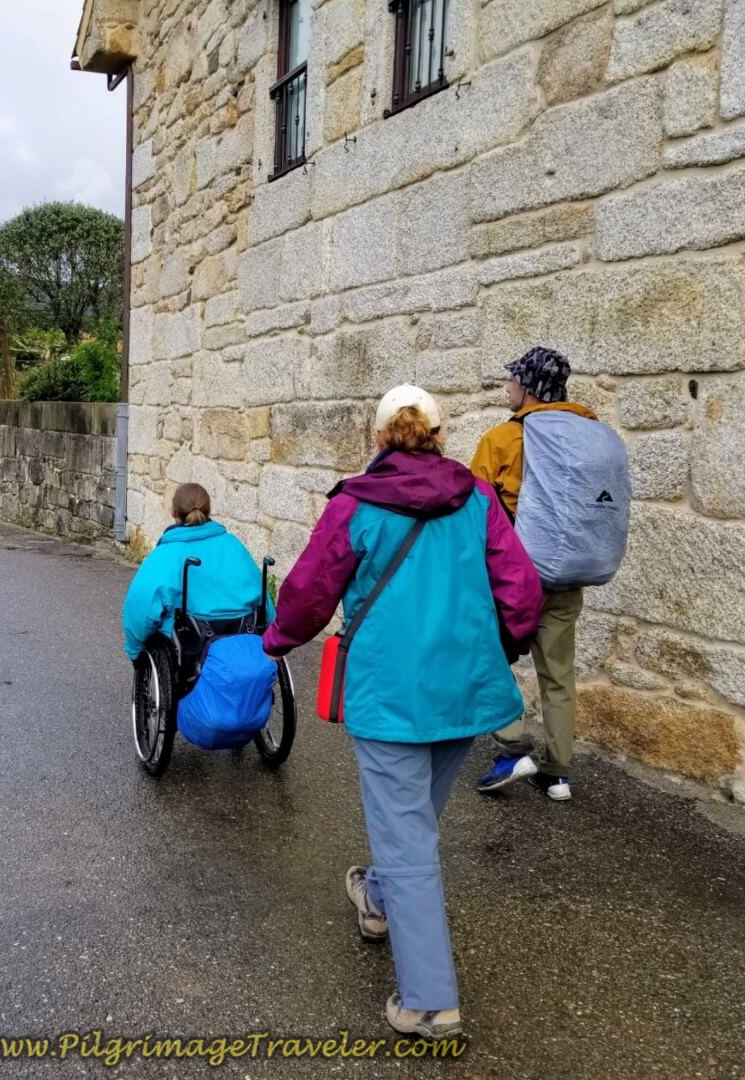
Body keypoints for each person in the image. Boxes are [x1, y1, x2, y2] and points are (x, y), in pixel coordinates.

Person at [261, 386, 542, 1042]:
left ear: (380, 436)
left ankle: (429, 1002)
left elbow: (308, 592)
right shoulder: (476, 499)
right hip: (466, 692)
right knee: (412, 824)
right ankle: (379, 900)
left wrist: (274, 641)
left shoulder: (356, 503)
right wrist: (498, 648)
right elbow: (520, 589)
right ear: (441, 436)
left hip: (390, 693)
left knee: (408, 835)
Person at [469, 347, 596, 803]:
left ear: (529, 389)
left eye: (513, 381)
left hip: (514, 576)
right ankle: (557, 774)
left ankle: (511, 749)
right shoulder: (590, 432)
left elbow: (475, 508)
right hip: (568, 573)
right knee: (558, 673)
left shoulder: (502, 440)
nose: (507, 388)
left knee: (492, 657)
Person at [122, 483, 270, 662]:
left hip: (189, 644)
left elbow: (140, 605)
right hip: (242, 635)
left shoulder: (166, 555)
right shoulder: (233, 546)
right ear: (209, 511)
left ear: (173, 512)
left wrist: (135, 651)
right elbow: (261, 595)